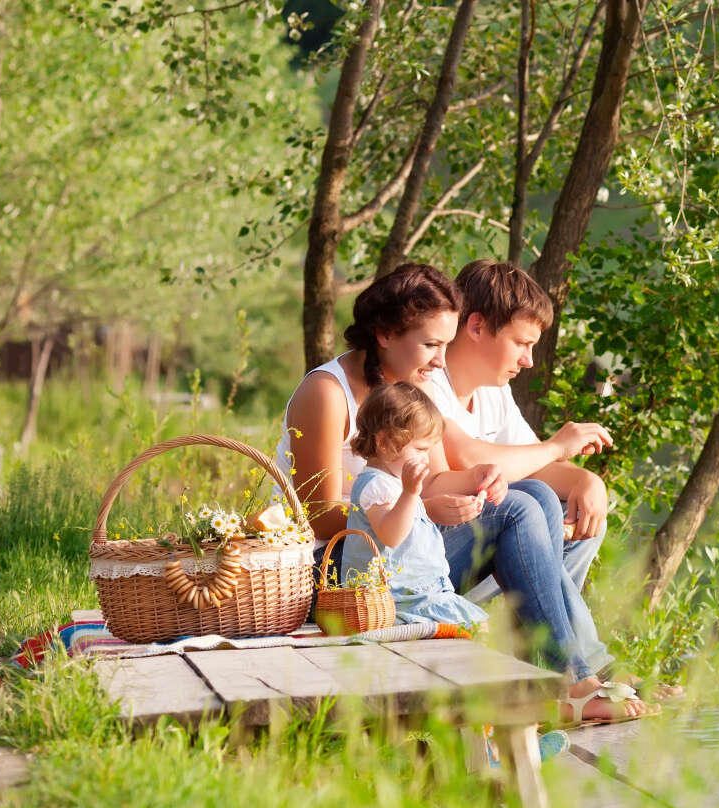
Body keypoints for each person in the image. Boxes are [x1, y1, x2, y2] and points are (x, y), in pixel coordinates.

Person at [274, 263, 656, 722]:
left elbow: (433, 479)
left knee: (526, 492)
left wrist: (483, 477)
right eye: (432, 345)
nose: (439, 361)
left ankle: (553, 672)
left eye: (445, 345)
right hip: (340, 572)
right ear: (385, 333)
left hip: (399, 554)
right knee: (516, 508)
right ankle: (573, 680)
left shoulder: (408, 387)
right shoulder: (326, 392)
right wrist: (418, 509)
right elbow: (319, 516)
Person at [427, 259, 612, 599]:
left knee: (586, 516)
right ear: (477, 328)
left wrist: (587, 481)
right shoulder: (426, 379)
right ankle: (554, 640)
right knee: (528, 503)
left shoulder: (493, 390)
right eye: (521, 344)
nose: (529, 360)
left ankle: (541, 634)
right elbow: (466, 456)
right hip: (428, 556)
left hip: (472, 551)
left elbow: (535, 464)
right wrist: (557, 446)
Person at [342, 382, 488, 630]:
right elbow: (391, 535)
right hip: (395, 599)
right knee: (473, 628)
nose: (426, 457)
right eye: (420, 449)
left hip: (421, 592)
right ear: (385, 443)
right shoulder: (376, 486)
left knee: (479, 626)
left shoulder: (394, 484)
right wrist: (411, 494)